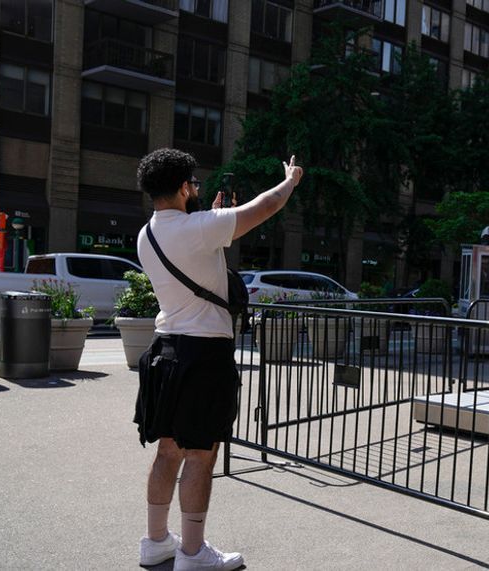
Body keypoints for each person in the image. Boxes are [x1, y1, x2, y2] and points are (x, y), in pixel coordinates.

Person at [134, 149, 304, 569]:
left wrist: (209, 218)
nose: (196, 188)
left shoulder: (148, 233)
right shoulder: (198, 229)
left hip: (165, 350)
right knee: (201, 454)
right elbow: (265, 206)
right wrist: (290, 181)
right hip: (203, 354)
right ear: (180, 187)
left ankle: (156, 541)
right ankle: (192, 553)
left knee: (168, 450)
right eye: (192, 182)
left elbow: (196, 250)